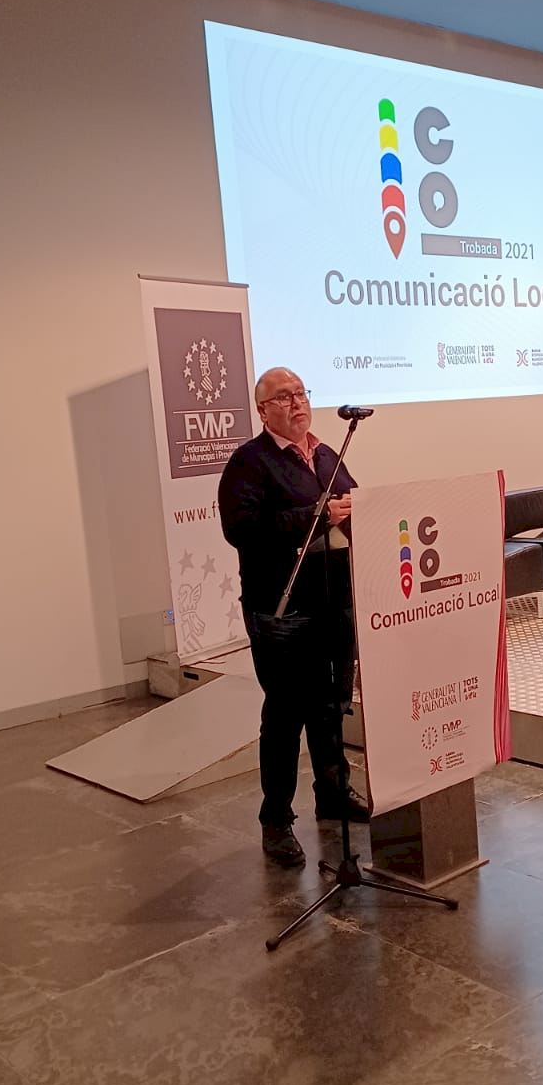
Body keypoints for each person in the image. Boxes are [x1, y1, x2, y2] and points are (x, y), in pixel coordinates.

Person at [219, 367, 367, 866]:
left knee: (331, 708)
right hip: (281, 609)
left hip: (333, 600)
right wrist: (317, 516)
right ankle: (277, 820)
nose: (297, 402)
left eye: (301, 393)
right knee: (285, 716)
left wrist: (361, 510)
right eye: (284, 397)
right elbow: (242, 529)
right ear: (264, 411)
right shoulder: (249, 462)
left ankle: (333, 793)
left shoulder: (327, 455)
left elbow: (353, 505)